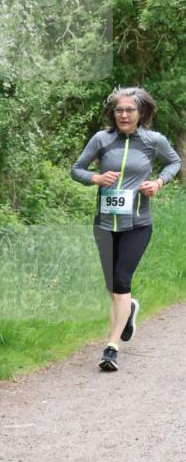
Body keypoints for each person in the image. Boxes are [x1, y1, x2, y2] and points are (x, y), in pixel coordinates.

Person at [71, 86, 181, 371]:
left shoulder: (153, 140)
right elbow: (77, 169)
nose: (124, 114)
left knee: (121, 281)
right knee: (114, 287)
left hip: (137, 224)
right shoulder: (102, 140)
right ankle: (129, 308)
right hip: (105, 224)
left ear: (141, 112)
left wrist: (158, 183)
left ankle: (111, 348)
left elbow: (174, 162)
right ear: (112, 112)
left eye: (130, 110)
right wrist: (95, 178)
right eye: (119, 110)